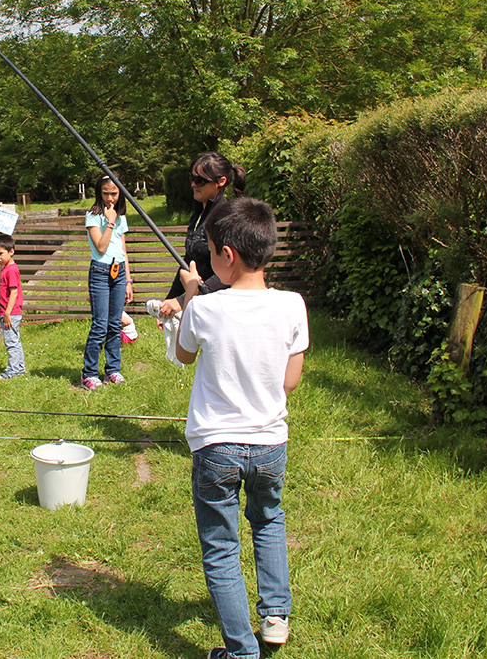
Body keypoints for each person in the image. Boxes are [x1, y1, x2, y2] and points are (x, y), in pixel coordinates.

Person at [175, 197, 308, 657]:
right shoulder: (293, 305)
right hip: (271, 444)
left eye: (210, 251)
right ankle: (275, 617)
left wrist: (194, 293)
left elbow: (183, 355)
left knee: (220, 547)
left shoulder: (205, 309)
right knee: (268, 520)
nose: (208, 261)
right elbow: (290, 380)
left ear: (226, 255)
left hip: (216, 448)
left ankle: (241, 651)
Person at [158, 151, 248, 319]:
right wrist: (170, 300)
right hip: (200, 304)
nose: (193, 184)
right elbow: (189, 261)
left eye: (200, 180)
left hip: (222, 308)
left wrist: (183, 300)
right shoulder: (199, 214)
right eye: (192, 178)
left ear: (221, 181)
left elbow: (232, 270)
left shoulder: (225, 217)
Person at [81, 174, 134, 390]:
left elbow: (123, 250)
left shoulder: (121, 217)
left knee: (115, 324)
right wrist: (109, 221)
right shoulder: (93, 216)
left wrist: (128, 280)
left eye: (114, 193)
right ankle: (89, 373)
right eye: (105, 193)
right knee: (100, 325)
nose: (110, 198)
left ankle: (113, 370)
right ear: (99, 193)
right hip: (101, 272)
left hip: (119, 271)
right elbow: (101, 247)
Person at [0, 233, 26, 379]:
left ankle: (12, 372)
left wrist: (7, 313)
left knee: (11, 342)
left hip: (10, 313)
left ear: (11, 251)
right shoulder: (7, 268)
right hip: (8, 312)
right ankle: (19, 368)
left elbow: (14, 292)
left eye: (1, 253)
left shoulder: (11, 270)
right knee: (14, 340)